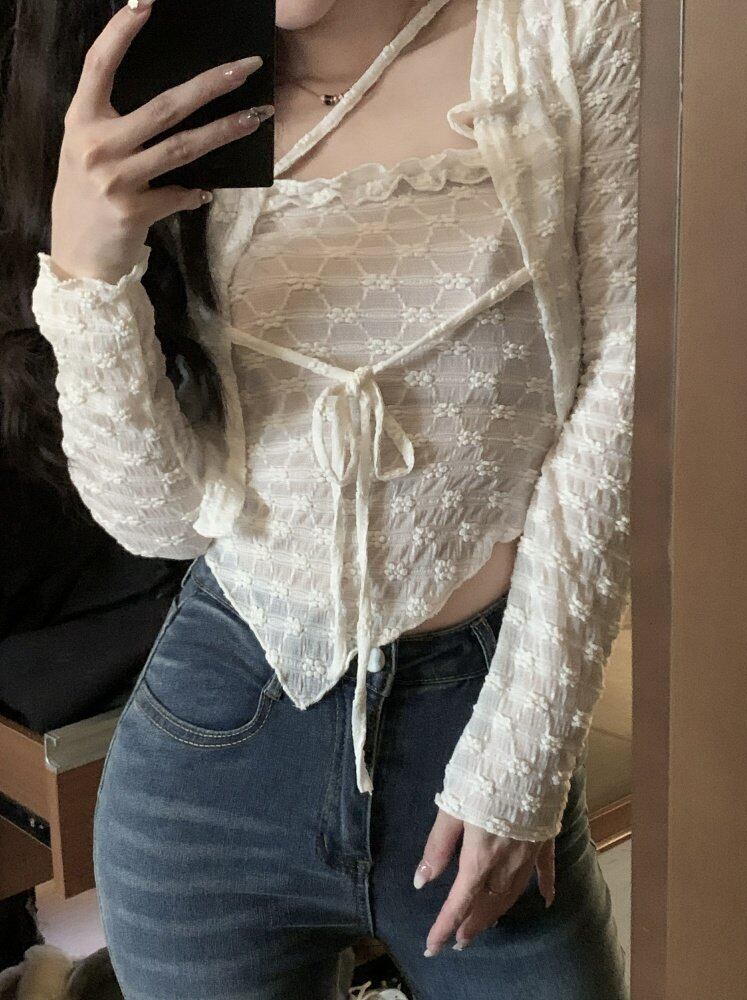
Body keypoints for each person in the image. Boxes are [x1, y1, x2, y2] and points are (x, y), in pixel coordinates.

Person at [4, 0, 638, 996]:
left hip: (483, 725)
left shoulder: (566, 24)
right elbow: (162, 522)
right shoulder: (177, 75)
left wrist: (525, 758)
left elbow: (620, 394)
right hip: (211, 767)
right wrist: (93, 274)